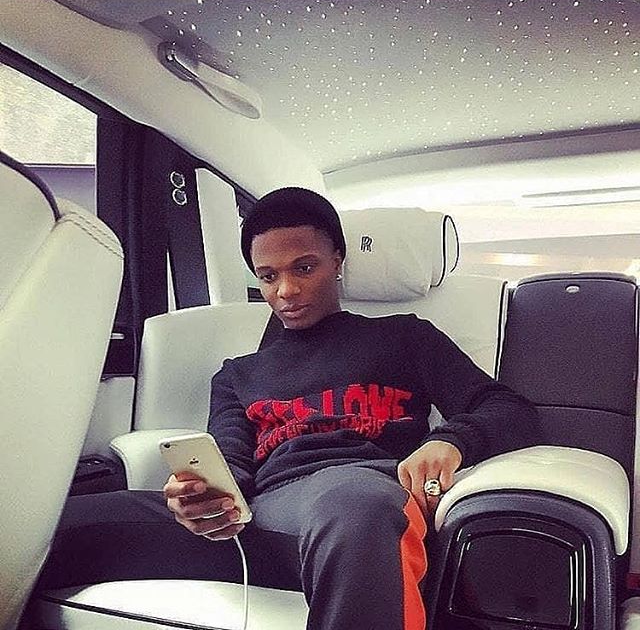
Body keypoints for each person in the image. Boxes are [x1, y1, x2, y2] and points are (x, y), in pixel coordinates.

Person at [163, 187, 541, 630]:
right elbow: (229, 458)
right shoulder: (237, 374)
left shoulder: (405, 338)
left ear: (338, 261)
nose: (286, 290)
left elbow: (509, 409)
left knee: (354, 506)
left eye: (304, 268)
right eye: (268, 276)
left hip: (363, 492)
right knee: (96, 517)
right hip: (264, 512)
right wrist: (200, 496)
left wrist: (450, 442)